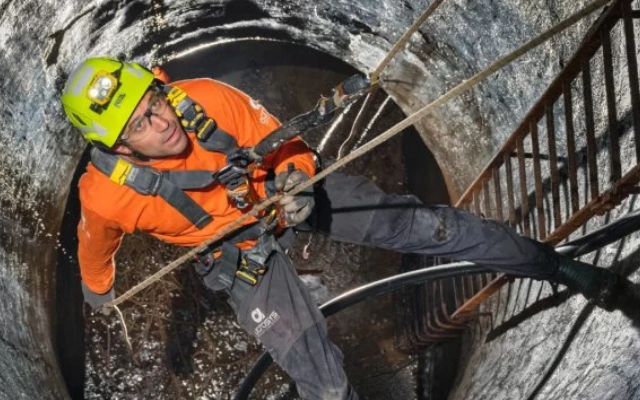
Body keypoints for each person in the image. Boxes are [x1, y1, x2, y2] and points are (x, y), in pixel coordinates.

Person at [60, 56, 636, 400]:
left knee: (434, 228)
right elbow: (95, 255)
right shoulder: (106, 197)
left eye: (154, 102)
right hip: (235, 254)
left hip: (283, 197)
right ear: (117, 147)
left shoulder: (207, 100)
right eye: (139, 125)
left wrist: (297, 179)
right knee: (322, 381)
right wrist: (101, 293)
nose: (161, 122)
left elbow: (285, 143)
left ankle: (560, 267)